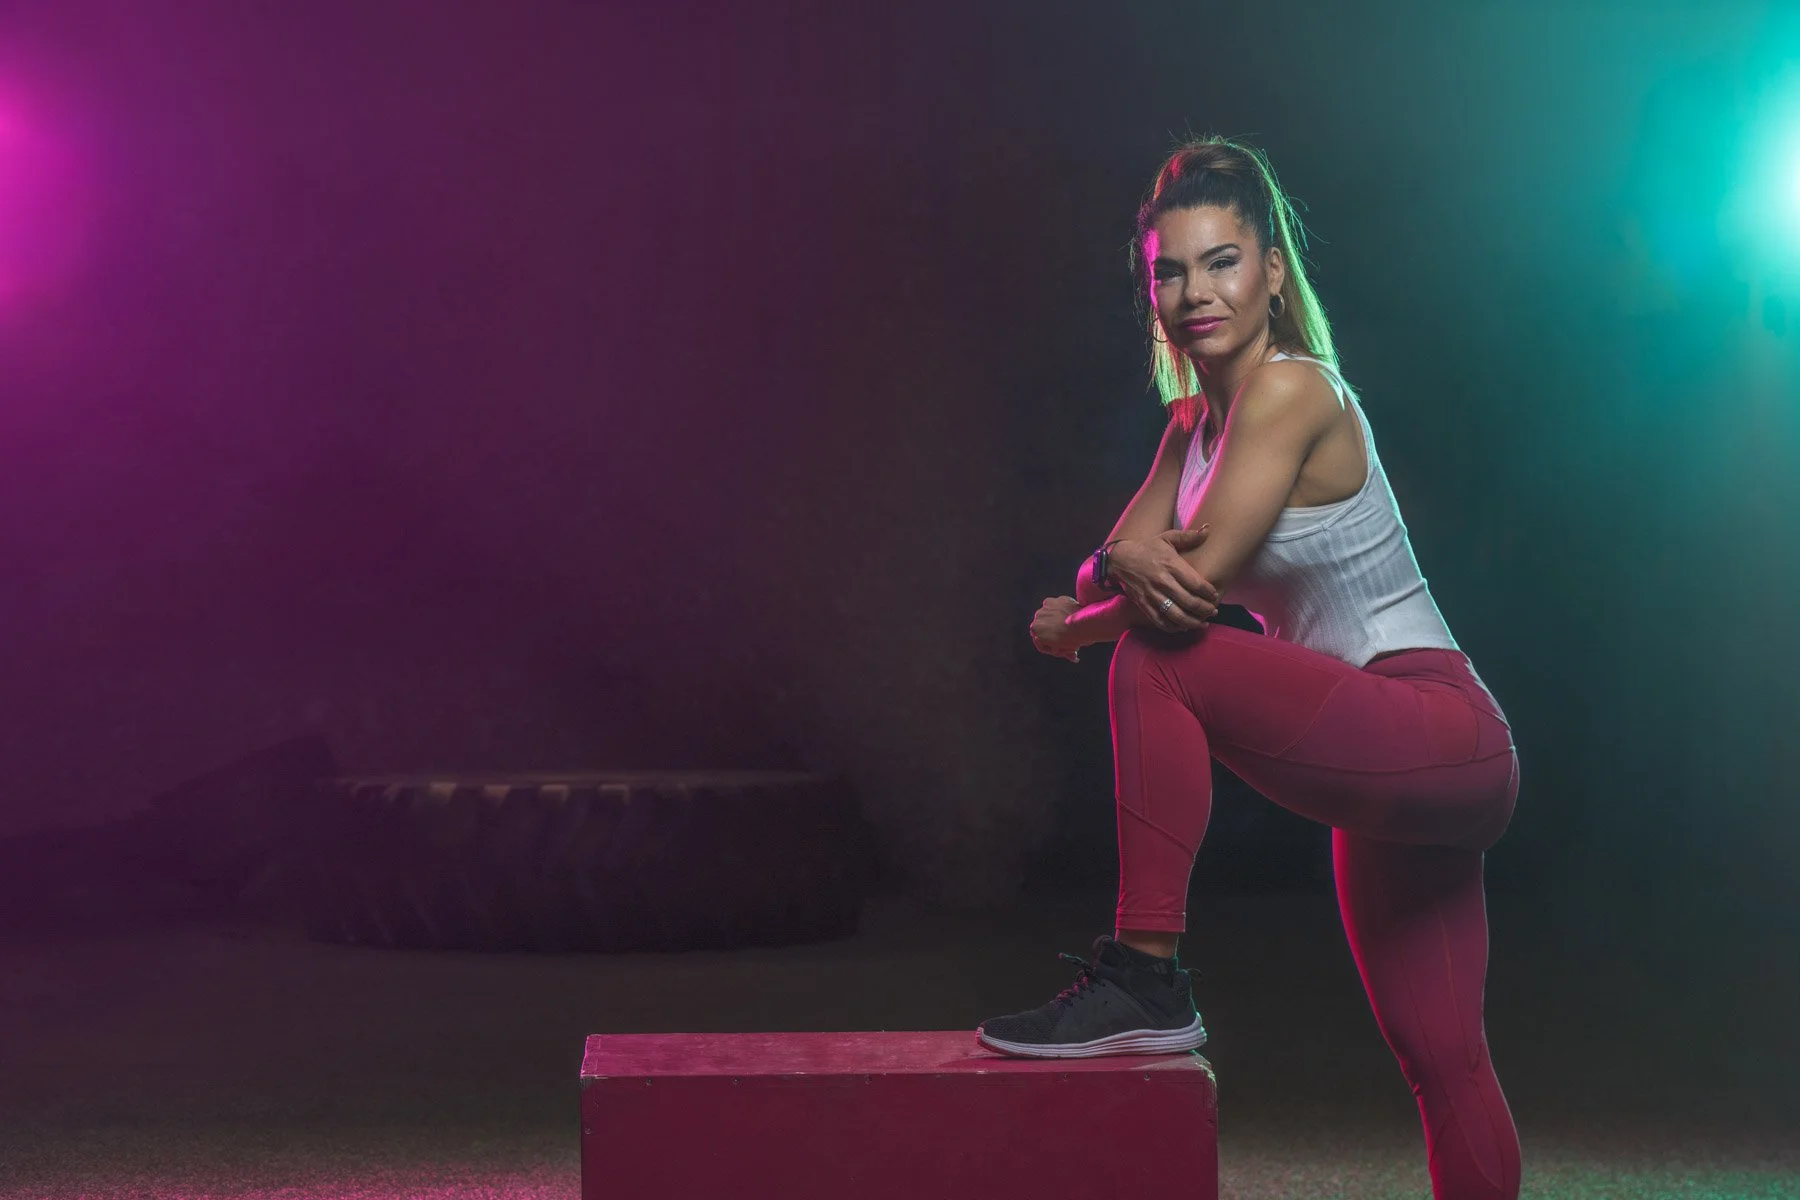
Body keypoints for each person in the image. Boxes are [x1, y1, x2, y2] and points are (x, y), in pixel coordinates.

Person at [974, 136, 1522, 1200]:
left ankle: (1145, 975)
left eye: (1221, 261)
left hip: (1438, 726)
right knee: (1442, 1058)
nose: (1194, 292)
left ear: (1273, 270)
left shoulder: (1292, 391)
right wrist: (1117, 575)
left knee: (1156, 660)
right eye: (1169, 271)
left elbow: (1184, 584)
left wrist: (1096, 605)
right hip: (1389, 770)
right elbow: (1114, 573)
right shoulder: (1194, 423)